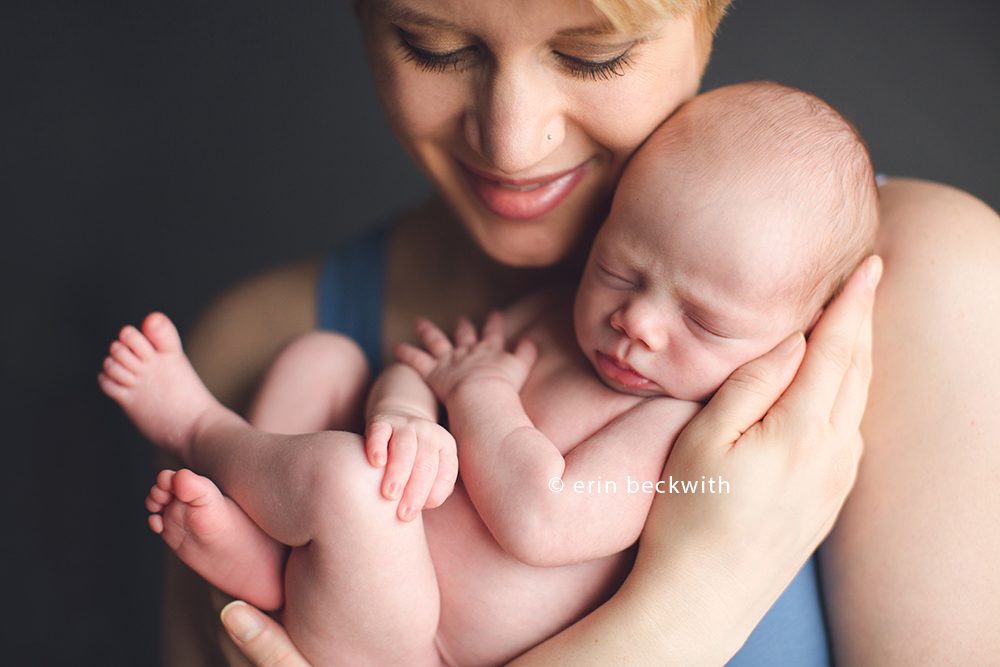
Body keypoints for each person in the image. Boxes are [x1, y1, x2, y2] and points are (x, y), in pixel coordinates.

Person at [158, 0, 1000, 664]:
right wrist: (407, 407)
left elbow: (545, 507)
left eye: (595, 53)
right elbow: (429, 373)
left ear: (707, 15)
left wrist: (701, 591)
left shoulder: (933, 285)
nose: (514, 142)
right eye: (435, 45)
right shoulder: (252, 338)